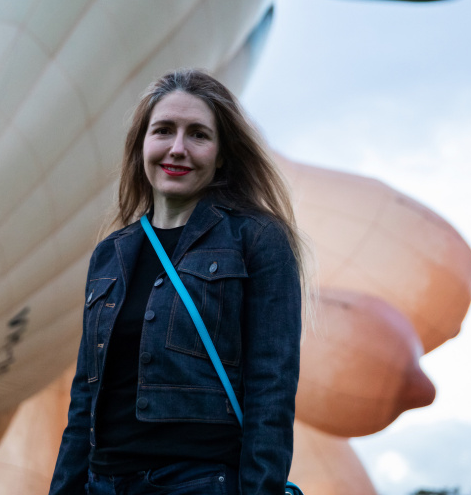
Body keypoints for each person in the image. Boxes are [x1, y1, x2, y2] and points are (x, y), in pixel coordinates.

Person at [48, 69, 313, 495]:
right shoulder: (109, 254)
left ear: (222, 154)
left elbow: (272, 389)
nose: (177, 148)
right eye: (164, 131)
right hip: (103, 482)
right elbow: (85, 400)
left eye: (198, 135)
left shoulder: (257, 239)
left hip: (198, 482)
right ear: (141, 147)